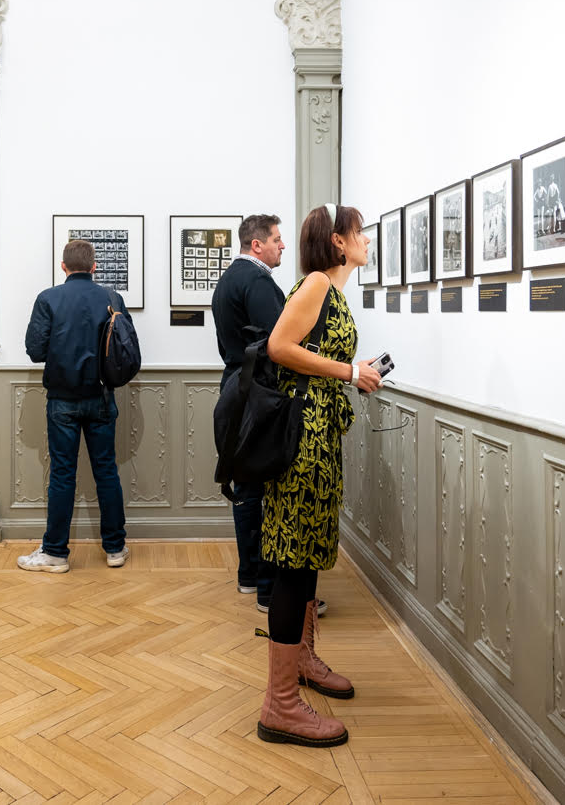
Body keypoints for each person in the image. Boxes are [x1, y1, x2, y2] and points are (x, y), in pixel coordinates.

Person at [256, 203, 382, 748]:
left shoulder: (330, 291)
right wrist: (350, 370)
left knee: (306, 559)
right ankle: (279, 705)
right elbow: (278, 348)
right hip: (301, 444)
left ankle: (302, 661)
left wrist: (350, 375)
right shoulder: (313, 285)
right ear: (337, 240)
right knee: (291, 563)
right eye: (359, 234)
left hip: (318, 438)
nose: (366, 241)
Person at [213, 213, 331, 616]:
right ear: (257, 244)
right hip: (259, 393)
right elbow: (281, 340)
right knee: (264, 488)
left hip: (237, 388)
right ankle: (268, 590)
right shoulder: (258, 282)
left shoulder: (231, 277)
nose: (284, 246)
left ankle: (251, 576)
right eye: (277, 239)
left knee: (246, 486)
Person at [18, 239, 131, 574]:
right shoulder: (112, 299)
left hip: (62, 401)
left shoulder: (48, 298)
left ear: (63, 266)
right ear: (94, 266)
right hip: (101, 397)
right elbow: (123, 349)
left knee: (63, 475)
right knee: (106, 472)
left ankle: (55, 553)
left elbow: (35, 351)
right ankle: (115, 548)